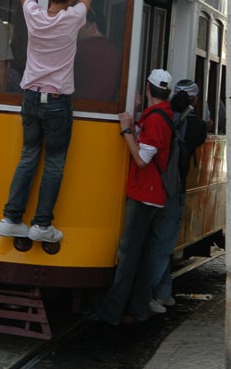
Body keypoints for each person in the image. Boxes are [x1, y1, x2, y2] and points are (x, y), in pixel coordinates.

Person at [0, 0, 94, 243]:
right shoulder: (74, 18)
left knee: (27, 158)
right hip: (57, 101)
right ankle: (41, 225)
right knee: (53, 162)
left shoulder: (34, 15)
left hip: (30, 98)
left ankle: (11, 219)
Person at [89, 69, 173, 325]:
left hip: (144, 195)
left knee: (127, 254)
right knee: (140, 255)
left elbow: (141, 159)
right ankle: (137, 309)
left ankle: (111, 311)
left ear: (148, 88)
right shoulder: (161, 115)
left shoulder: (156, 120)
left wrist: (126, 130)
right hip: (152, 194)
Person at [148, 79, 207, 313]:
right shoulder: (197, 126)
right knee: (164, 244)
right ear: (194, 99)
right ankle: (149, 295)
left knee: (157, 241)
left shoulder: (161, 116)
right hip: (174, 189)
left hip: (153, 185)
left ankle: (164, 293)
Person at [74, 9, 121, 101]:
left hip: (79, 108)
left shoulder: (79, 48)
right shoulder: (116, 51)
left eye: (79, 27)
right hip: (107, 111)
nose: (76, 31)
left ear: (93, 27)